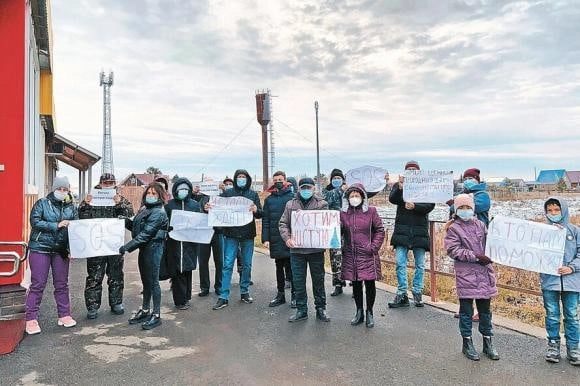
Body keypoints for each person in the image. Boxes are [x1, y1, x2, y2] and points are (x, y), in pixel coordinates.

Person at [444, 194, 499, 361]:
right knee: (466, 311)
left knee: (485, 311)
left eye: (468, 207)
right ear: (456, 209)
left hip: (484, 273)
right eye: (462, 208)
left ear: (473, 209)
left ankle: (487, 342)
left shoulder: (481, 225)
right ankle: (467, 342)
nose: (465, 211)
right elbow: (453, 250)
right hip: (466, 274)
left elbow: (491, 243)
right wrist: (475, 256)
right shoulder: (453, 228)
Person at [25, 176, 78, 335]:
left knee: (62, 284)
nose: (62, 192)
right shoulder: (42, 203)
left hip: (60, 251)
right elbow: (35, 221)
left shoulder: (72, 208)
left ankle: (64, 315)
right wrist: (56, 225)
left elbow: (75, 230)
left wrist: (72, 249)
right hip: (40, 248)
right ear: (53, 189)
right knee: (38, 284)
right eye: (59, 189)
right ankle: (31, 319)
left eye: (65, 189)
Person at [79, 173, 134, 319]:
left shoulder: (120, 199)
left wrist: (119, 203)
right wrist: (85, 204)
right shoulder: (91, 197)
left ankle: (116, 303)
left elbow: (130, 216)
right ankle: (92, 307)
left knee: (116, 275)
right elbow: (80, 218)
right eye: (106, 183)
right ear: (100, 183)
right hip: (95, 244)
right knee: (94, 277)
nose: (108, 185)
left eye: (111, 183)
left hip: (114, 245)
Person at [279, 177, 331, 322]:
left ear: (314, 189)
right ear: (299, 189)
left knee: (318, 281)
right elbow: (283, 223)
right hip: (297, 251)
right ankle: (301, 310)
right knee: (298, 281)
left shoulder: (322, 204)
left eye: (309, 188)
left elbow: (326, 224)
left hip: (316, 250)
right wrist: (287, 238)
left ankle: (321, 308)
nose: (306, 190)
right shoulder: (290, 204)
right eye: (303, 188)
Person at [119, 182, 169, 330]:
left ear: (160, 196)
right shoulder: (145, 209)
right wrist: (125, 221)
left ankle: (157, 314)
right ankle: (146, 310)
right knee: (146, 281)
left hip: (153, 249)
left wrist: (126, 248)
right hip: (144, 249)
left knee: (153, 282)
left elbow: (146, 234)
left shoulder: (159, 212)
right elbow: (136, 227)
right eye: (149, 193)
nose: (151, 196)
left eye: (154, 194)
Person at [211, 169, 262, 310]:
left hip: (247, 235)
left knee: (247, 264)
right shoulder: (227, 194)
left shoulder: (253, 194)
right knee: (227, 265)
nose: (241, 179)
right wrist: (207, 208)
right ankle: (223, 296)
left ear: (248, 179)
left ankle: (244, 291)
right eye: (239, 177)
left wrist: (256, 210)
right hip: (231, 235)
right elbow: (217, 209)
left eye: (243, 177)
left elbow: (260, 214)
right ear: (235, 178)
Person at [388, 160, 435, 308]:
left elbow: (430, 205)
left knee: (420, 264)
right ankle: (402, 293)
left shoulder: (425, 187)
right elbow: (392, 199)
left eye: (415, 170)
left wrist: (415, 206)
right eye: (409, 170)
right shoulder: (400, 185)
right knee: (400, 263)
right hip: (402, 230)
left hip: (419, 231)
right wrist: (400, 188)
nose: (412, 172)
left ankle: (417, 291)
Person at [540, 197, 580, 365]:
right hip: (550, 281)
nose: (554, 213)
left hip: (571, 282)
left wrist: (571, 268)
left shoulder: (575, 231)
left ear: (563, 210)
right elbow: (533, 253)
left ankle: (573, 348)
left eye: (557, 210)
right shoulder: (542, 231)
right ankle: (553, 346)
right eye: (550, 210)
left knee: (571, 315)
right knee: (552, 315)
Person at [340, 184, 385, 328]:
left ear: (362, 197)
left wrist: (373, 247)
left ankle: (369, 312)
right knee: (356, 284)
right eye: (351, 196)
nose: (354, 198)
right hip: (350, 253)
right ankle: (359, 311)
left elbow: (380, 230)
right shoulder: (343, 213)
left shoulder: (371, 212)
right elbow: (337, 231)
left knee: (370, 283)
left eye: (357, 195)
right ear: (347, 198)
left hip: (367, 253)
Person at [164, 178, 200, 310]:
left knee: (187, 269)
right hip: (174, 243)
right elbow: (165, 223)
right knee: (178, 270)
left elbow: (200, 221)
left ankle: (187, 296)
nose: (183, 191)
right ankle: (179, 300)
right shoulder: (169, 205)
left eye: (185, 189)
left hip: (190, 243)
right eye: (180, 189)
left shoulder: (195, 205)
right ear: (175, 190)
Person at [262, 170, 295, 307]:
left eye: (280, 180)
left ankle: (295, 295)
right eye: (275, 180)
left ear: (285, 180)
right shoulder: (269, 200)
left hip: (290, 237)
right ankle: (280, 294)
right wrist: (265, 238)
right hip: (275, 238)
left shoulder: (293, 197)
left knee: (292, 267)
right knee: (278, 267)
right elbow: (266, 220)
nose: (278, 182)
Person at [197, 178, 228, 297]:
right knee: (203, 261)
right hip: (203, 233)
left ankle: (219, 286)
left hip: (218, 232)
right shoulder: (199, 198)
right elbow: (195, 212)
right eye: (206, 183)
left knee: (220, 261)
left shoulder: (220, 197)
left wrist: (223, 190)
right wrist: (203, 209)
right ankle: (204, 287)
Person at [323, 168, 348, 296]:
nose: (337, 180)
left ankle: (355, 283)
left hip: (349, 229)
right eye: (334, 178)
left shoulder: (349, 190)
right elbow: (326, 201)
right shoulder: (326, 191)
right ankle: (338, 284)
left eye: (339, 178)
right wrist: (340, 190)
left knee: (351, 256)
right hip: (333, 230)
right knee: (335, 257)